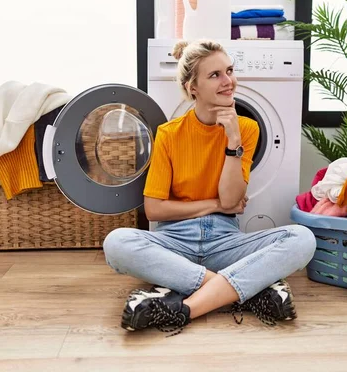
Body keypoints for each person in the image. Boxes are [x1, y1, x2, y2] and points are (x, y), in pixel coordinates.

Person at [103, 39, 316, 335]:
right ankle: (247, 291)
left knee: (302, 238)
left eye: (229, 71)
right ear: (193, 88)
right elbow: (154, 209)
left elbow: (231, 200)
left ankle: (184, 308)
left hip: (226, 242)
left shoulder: (246, 129)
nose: (228, 81)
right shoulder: (169, 134)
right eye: (215, 75)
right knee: (116, 243)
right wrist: (215, 205)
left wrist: (232, 142)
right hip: (174, 242)